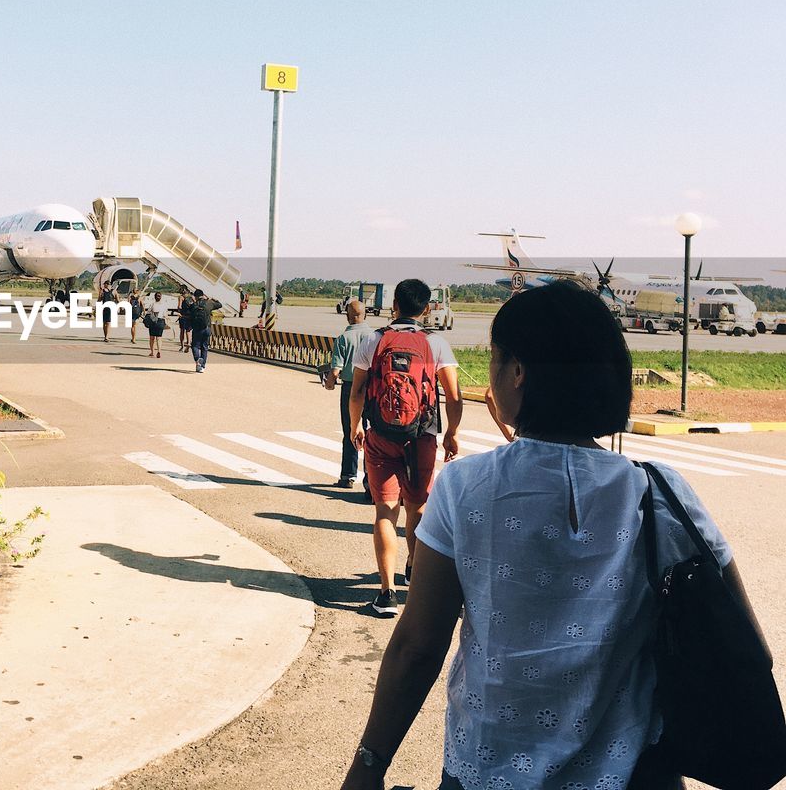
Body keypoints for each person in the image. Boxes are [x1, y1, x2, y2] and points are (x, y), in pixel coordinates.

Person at [340, 282, 760, 790]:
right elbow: (746, 646)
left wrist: (370, 765)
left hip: (488, 771)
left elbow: (417, 648)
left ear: (518, 373)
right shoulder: (660, 493)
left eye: (496, 360)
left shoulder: (465, 488)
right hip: (637, 776)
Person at [349, 279, 461, 617]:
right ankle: (416, 577)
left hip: (381, 435)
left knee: (386, 511)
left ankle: (386, 594)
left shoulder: (374, 339)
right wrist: (451, 433)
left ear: (393, 304)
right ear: (426, 309)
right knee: (417, 509)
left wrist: (355, 426)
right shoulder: (436, 344)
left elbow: (357, 391)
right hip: (422, 437)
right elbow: (454, 397)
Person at [323, 298, 374, 494]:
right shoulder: (374, 337)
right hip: (371, 389)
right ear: (365, 314)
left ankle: (348, 476)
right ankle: (370, 479)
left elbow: (336, 369)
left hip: (351, 389)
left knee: (351, 431)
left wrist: (329, 382)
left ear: (347, 316)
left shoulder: (343, 339)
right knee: (371, 434)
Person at [187, 288, 221, 373]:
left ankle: (197, 360)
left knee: (195, 346)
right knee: (204, 347)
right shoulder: (209, 303)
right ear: (203, 295)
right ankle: (202, 366)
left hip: (197, 329)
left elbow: (188, 310)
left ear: (196, 296)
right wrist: (212, 299)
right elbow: (219, 305)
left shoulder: (194, 305)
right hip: (206, 328)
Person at [143, 292, 169, 358]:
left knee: (152, 338)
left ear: (154, 297)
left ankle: (152, 352)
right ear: (161, 297)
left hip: (153, 321)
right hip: (161, 321)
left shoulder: (152, 304)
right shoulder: (164, 305)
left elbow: (148, 313)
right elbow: (165, 315)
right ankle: (159, 351)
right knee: (159, 338)